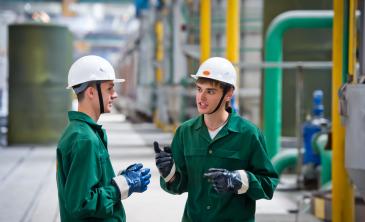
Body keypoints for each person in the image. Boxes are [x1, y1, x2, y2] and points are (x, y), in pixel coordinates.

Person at [154, 57, 279, 222]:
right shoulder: (185, 132)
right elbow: (179, 186)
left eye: (210, 91)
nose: (201, 97)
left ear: (228, 94)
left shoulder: (249, 134)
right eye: (199, 89)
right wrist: (169, 174)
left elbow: (269, 185)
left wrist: (240, 181)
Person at [56, 55, 151, 222]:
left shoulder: (82, 132)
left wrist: (122, 179)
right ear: (91, 92)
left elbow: (87, 187)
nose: (114, 95)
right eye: (109, 89)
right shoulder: (84, 139)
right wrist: (122, 185)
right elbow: (82, 203)